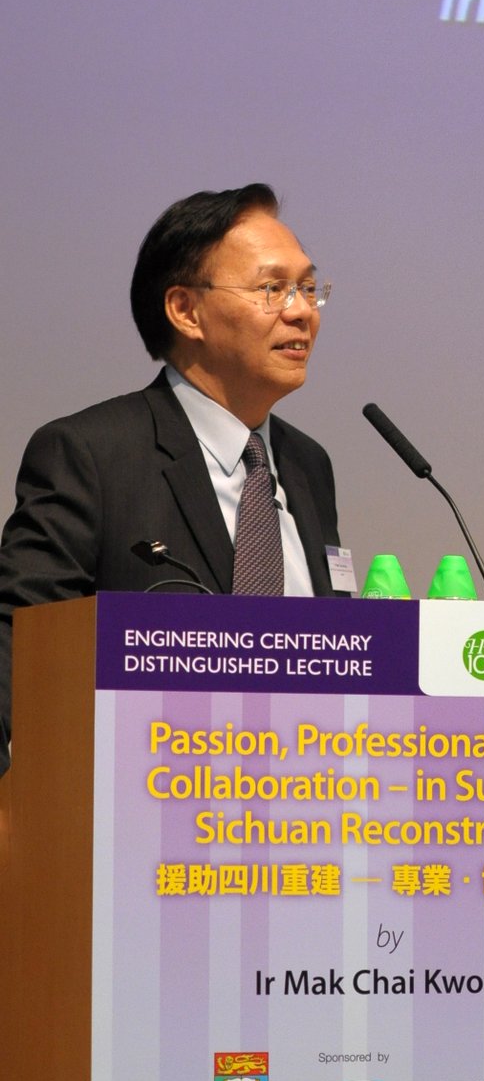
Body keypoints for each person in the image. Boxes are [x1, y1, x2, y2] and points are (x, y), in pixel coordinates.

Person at [0, 184, 346, 765]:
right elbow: (21, 641)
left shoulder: (309, 464)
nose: (301, 310)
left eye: (308, 288)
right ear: (185, 311)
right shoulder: (90, 454)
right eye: (271, 288)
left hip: (300, 794)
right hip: (145, 791)